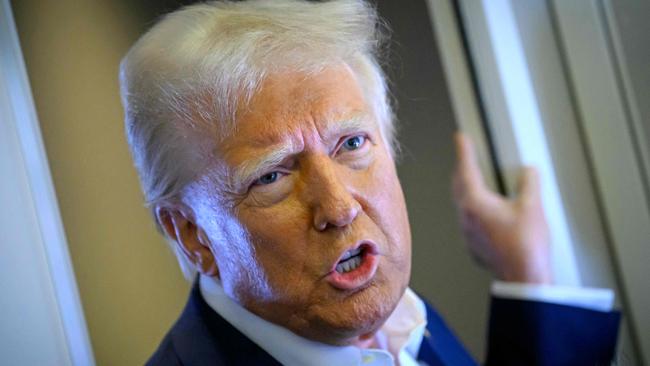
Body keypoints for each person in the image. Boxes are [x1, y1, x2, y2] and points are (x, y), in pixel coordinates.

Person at [119, 1, 621, 365]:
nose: (338, 208)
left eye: (352, 144)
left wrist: (526, 273)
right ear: (192, 234)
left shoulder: (392, 315)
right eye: (272, 175)